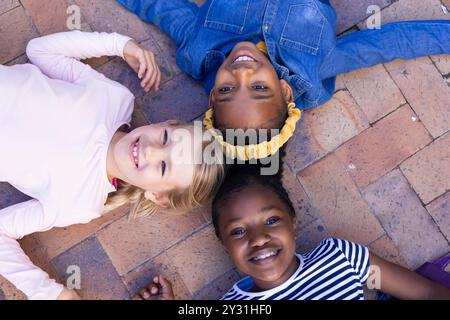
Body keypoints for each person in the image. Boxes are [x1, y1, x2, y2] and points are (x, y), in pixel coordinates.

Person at [0, 30, 225, 300]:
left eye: (164, 167)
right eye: (165, 138)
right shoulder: (116, 99)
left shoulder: (81, 201)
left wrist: (54, 294)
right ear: (167, 124)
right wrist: (120, 45)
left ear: (157, 196)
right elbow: (39, 50)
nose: (151, 150)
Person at [116, 0, 450, 160]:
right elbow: (391, 43)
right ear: (286, 90)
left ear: (212, 95)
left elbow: (157, 5)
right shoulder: (316, 66)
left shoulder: (198, 44)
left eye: (227, 88)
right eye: (259, 88)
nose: (242, 72)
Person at [133, 166, 450, 300]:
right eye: (239, 231)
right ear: (224, 244)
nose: (258, 238)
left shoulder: (340, 258)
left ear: (293, 221)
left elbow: (425, 293)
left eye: (271, 221)